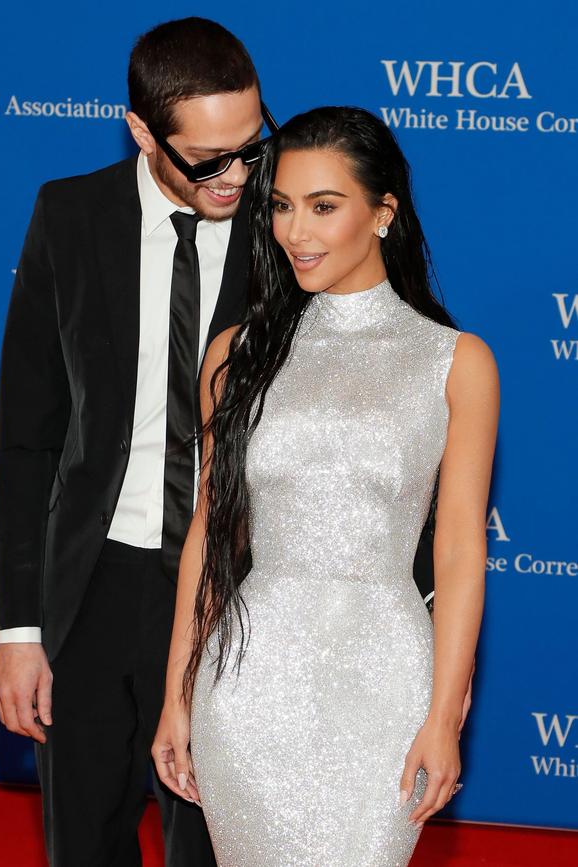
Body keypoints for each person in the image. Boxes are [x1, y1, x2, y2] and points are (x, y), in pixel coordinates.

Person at [152, 107, 498, 866]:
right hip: (248, 683)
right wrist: (178, 690)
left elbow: (461, 548)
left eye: (323, 206)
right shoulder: (234, 355)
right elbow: (209, 533)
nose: (295, 232)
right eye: (280, 205)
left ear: (383, 212)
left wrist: (444, 715)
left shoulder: (454, 362)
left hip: (385, 682)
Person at [0, 17, 272, 867]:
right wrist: (18, 630)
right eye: (208, 159)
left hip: (231, 589)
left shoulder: (290, 228)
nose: (236, 176)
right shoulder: (70, 216)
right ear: (143, 131)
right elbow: (27, 436)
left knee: (213, 846)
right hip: (93, 586)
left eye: (250, 146)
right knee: (82, 842)